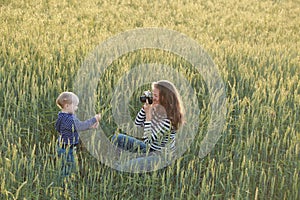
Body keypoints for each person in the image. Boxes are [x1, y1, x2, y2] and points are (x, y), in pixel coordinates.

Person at [112, 80, 184, 156]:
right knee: (117, 138)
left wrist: (148, 115)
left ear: (164, 98)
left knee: (128, 166)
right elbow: (137, 124)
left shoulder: (169, 120)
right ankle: (117, 160)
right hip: (149, 148)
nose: (153, 98)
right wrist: (144, 109)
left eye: (155, 96)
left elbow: (147, 140)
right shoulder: (157, 109)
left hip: (160, 155)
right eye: (152, 95)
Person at [55, 91, 101, 177]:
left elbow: (59, 128)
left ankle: (65, 180)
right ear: (67, 105)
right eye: (75, 105)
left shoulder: (61, 116)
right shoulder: (69, 119)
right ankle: (66, 183)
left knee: (64, 165)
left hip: (61, 145)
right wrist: (94, 119)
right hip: (67, 148)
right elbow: (80, 126)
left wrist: (90, 127)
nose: (76, 108)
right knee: (69, 167)